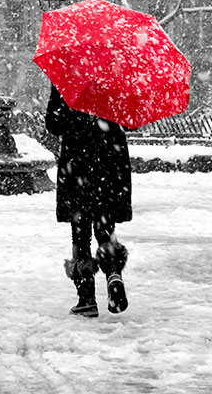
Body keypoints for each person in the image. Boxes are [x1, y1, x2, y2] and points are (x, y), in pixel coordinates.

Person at [44, 84, 131, 318]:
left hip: (78, 161)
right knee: (105, 225)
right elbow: (131, 119)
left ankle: (86, 299)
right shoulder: (114, 75)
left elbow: (54, 125)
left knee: (80, 231)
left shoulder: (68, 77)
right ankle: (113, 274)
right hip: (110, 162)